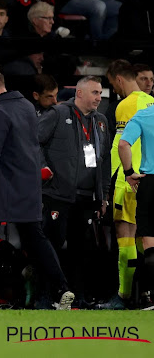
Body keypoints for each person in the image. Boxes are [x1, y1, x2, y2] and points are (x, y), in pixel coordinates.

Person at [0, 67, 74, 310]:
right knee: (36, 239)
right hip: (28, 186)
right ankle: (62, 289)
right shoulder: (28, 106)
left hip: (0, 186)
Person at [38, 76, 111, 305]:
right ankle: (45, 298)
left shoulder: (100, 122)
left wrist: (104, 195)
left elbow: (105, 160)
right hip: (58, 194)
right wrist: (42, 167)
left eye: (100, 93)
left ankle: (78, 299)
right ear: (79, 93)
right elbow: (32, 140)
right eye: (94, 93)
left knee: (82, 251)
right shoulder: (58, 114)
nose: (99, 98)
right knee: (52, 246)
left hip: (86, 197)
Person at [99, 59, 154, 309]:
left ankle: (123, 296)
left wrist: (111, 183)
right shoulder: (152, 103)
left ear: (118, 80)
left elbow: (119, 146)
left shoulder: (125, 105)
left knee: (125, 237)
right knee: (148, 238)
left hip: (129, 179)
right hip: (150, 178)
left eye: (112, 84)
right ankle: (145, 293)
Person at [117, 104, 154, 311]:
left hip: (150, 184)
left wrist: (129, 171)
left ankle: (147, 298)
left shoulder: (144, 114)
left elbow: (123, 145)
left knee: (150, 245)